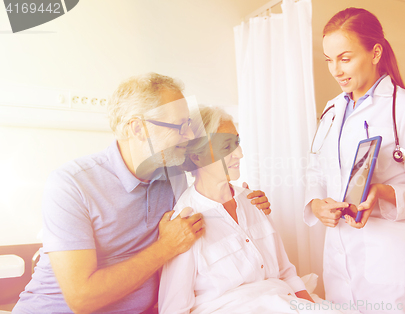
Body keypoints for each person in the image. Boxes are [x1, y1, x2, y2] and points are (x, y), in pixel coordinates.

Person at [13, 73, 271, 314]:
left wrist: (242, 201)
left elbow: (211, 181)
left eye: (190, 125)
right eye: (180, 126)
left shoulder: (174, 174)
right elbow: (82, 297)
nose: (190, 135)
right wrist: (165, 247)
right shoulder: (72, 184)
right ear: (138, 129)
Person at [304, 8, 405, 314]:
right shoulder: (332, 109)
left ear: (375, 52)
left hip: (390, 253)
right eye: (329, 60)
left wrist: (382, 193)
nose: (336, 70)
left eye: (345, 58)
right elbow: (317, 168)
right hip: (339, 248)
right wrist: (317, 204)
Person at [159, 106, 347, 314]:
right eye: (226, 147)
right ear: (197, 156)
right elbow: (174, 308)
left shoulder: (252, 201)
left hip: (283, 302)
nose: (239, 153)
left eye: (237, 143)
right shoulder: (184, 223)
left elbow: (286, 272)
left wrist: (312, 309)